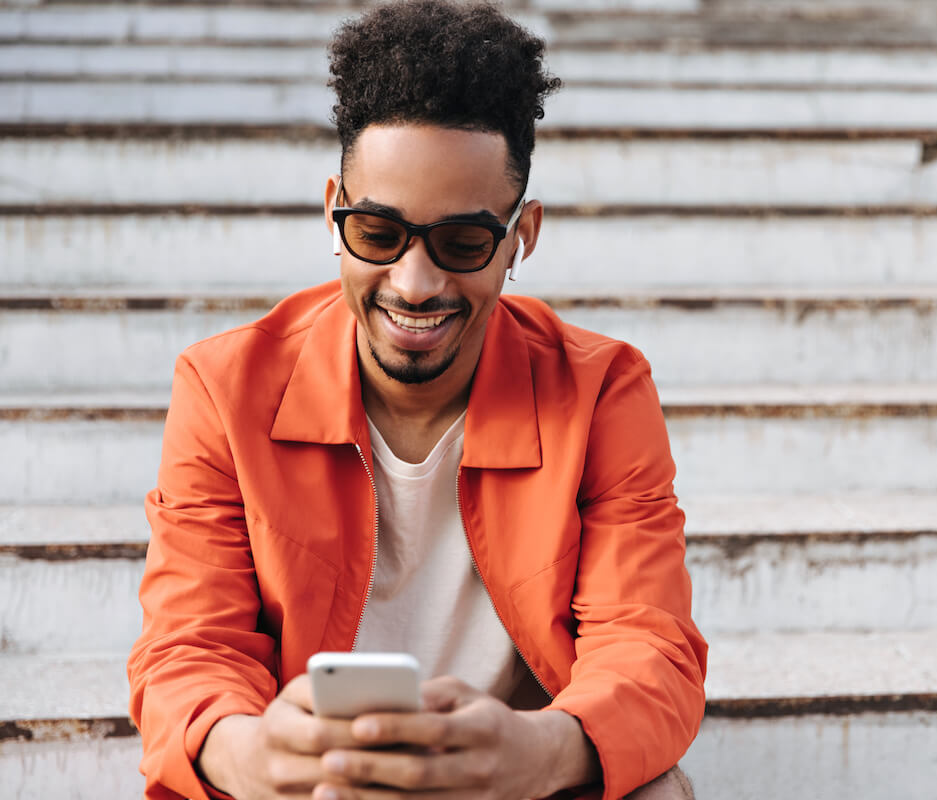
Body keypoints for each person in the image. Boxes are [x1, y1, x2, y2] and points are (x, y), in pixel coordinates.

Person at [126, 2, 708, 799]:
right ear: (333, 207)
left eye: (463, 242)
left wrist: (537, 750)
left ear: (520, 236)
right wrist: (252, 754)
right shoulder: (225, 387)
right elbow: (189, 651)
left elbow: (649, 649)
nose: (415, 282)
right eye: (377, 232)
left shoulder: (602, 388)